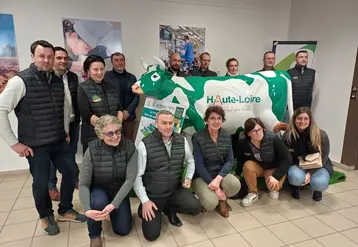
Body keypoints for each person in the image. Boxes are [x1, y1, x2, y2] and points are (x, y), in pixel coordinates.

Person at [0, 40, 85, 235]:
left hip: (58, 140)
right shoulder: (20, 80)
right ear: (33, 57)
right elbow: (1, 109)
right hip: (35, 145)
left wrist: (64, 131)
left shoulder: (56, 80)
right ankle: (46, 215)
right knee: (40, 182)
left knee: (71, 172)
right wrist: (14, 144)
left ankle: (65, 209)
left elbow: (62, 109)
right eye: (42, 56)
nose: (46, 60)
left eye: (50, 56)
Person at [134, 110, 201, 241]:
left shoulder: (181, 140)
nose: (168, 126)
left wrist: (188, 177)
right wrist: (145, 201)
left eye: (171, 123)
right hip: (154, 195)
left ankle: (169, 209)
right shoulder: (145, 144)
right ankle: (144, 207)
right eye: (164, 123)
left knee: (195, 207)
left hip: (174, 190)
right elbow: (137, 176)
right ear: (156, 124)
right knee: (151, 235)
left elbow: (191, 160)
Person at [79, 115, 137, 247]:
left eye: (117, 131)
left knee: (123, 230)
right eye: (110, 133)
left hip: (119, 189)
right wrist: (87, 209)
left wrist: (114, 204)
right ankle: (94, 235)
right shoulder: (92, 150)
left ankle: (112, 211)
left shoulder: (129, 147)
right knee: (98, 202)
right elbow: (83, 184)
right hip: (99, 188)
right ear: (100, 135)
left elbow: (130, 179)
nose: (115, 136)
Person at [192, 106, 241, 218]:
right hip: (202, 176)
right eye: (212, 118)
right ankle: (216, 198)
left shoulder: (226, 136)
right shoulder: (198, 138)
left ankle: (222, 201)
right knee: (210, 203)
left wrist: (219, 178)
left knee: (235, 184)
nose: (216, 121)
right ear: (206, 120)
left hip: (220, 173)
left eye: (219, 118)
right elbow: (198, 165)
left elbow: (230, 160)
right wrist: (217, 187)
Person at [236, 117, 292, 207]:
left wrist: (276, 176)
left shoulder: (273, 138)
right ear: (248, 133)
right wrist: (237, 174)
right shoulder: (243, 142)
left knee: (274, 188)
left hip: (273, 167)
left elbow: (288, 158)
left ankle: (274, 189)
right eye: (254, 131)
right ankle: (253, 193)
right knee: (248, 165)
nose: (258, 133)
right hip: (259, 167)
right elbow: (241, 159)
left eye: (260, 129)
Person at [48, 46, 80, 201]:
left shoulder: (73, 77)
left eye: (65, 58)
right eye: (59, 58)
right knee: (54, 157)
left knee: (70, 153)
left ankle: (72, 179)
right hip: (56, 125)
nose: (63, 61)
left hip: (73, 122)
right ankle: (52, 186)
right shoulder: (48, 78)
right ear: (53, 59)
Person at [284, 107, 333, 201]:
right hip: (298, 163)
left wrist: (310, 173)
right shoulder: (288, 135)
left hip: (319, 164)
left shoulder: (321, 135)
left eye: (306, 118)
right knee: (295, 177)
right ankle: (296, 186)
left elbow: (324, 157)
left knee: (320, 183)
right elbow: (285, 155)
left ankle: (318, 190)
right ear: (294, 120)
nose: (302, 121)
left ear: (310, 120)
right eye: (299, 118)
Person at [77, 55, 123, 154]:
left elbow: (119, 108)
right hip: (93, 136)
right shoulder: (83, 88)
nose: (99, 72)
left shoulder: (112, 86)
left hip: (113, 136)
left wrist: (116, 129)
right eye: (95, 69)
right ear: (88, 71)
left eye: (102, 69)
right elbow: (86, 113)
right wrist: (106, 131)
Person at [104, 52, 139, 141]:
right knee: (113, 141)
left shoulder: (132, 77)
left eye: (122, 60)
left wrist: (128, 111)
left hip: (129, 117)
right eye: (116, 60)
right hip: (112, 117)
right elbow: (106, 96)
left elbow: (137, 97)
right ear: (112, 63)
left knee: (128, 142)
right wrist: (118, 112)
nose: (120, 62)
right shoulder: (106, 77)